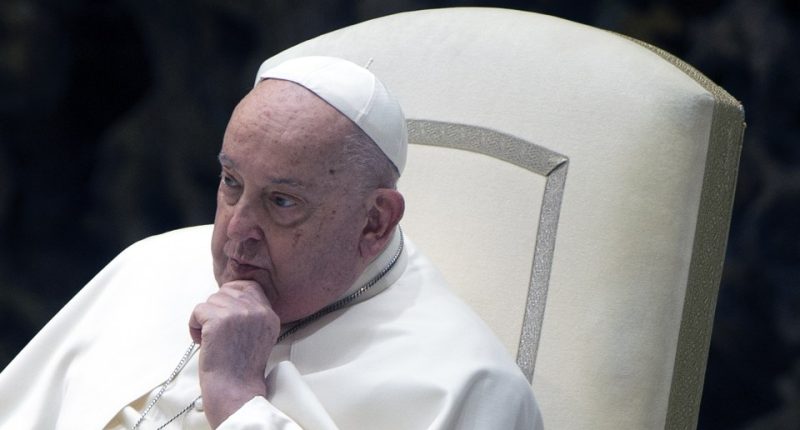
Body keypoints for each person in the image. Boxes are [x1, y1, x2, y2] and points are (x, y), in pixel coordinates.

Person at [0, 56, 542, 429]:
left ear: (375, 222)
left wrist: (238, 402)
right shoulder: (151, 266)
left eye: (282, 202)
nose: (237, 230)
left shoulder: (465, 386)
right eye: (231, 183)